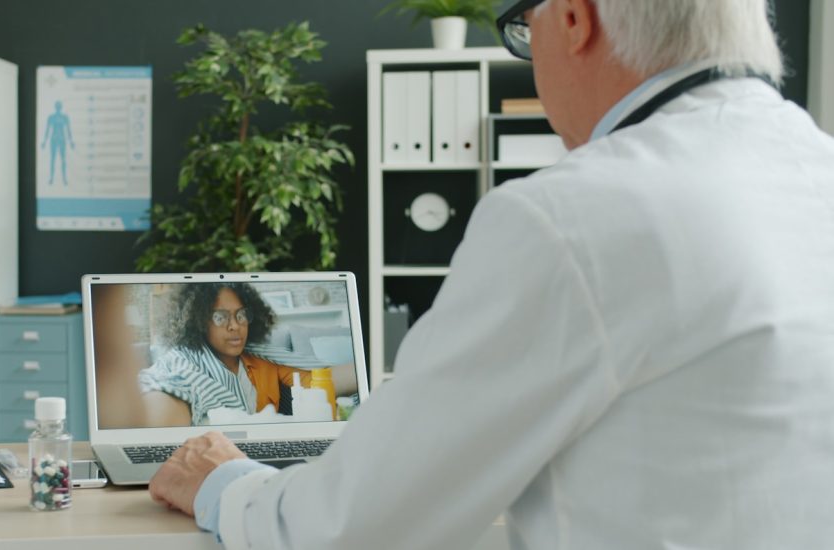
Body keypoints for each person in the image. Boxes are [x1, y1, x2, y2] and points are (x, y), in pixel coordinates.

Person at [148, 0, 834, 548]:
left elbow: (354, 527)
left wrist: (224, 483)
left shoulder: (569, 217)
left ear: (574, 18)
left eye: (523, 33)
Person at [138, 282, 356, 426]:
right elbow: (169, 387)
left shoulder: (264, 361)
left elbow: (322, 380)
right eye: (220, 317)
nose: (235, 325)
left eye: (241, 315)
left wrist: (369, 368)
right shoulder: (185, 364)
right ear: (199, 323)